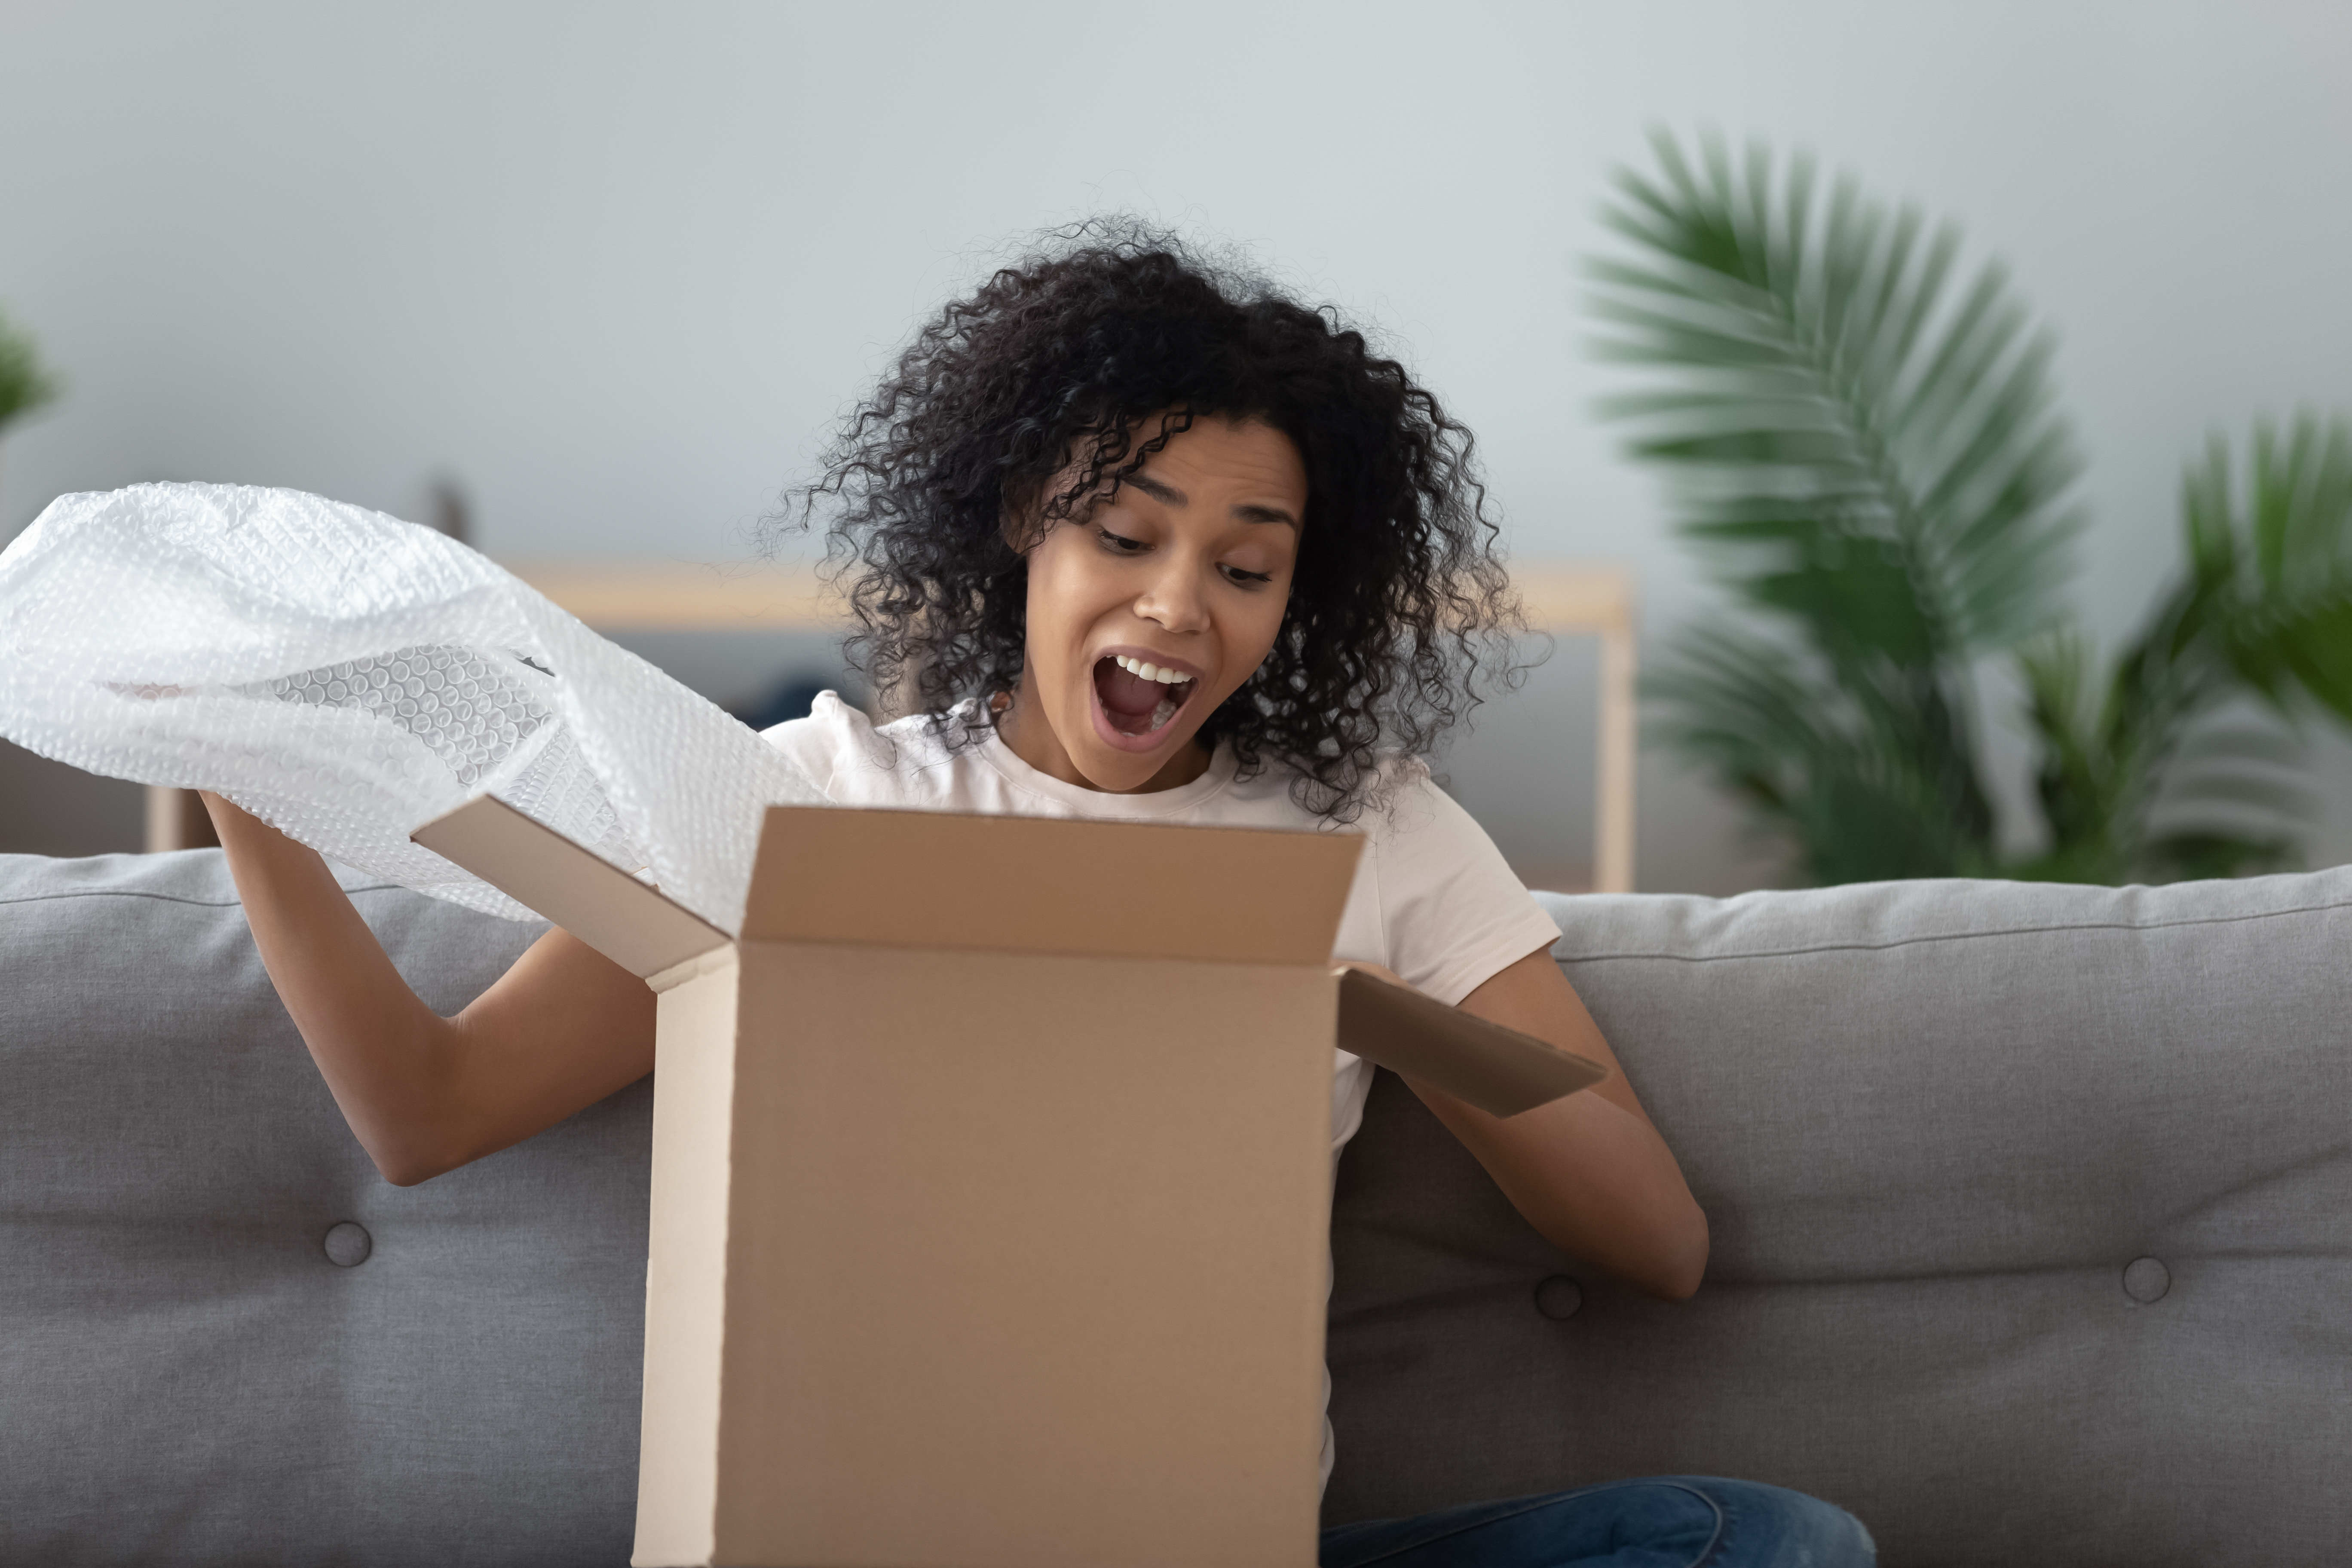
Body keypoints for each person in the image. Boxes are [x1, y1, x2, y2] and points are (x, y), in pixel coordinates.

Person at [203, 223, 1874, 1568]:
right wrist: (235, 769)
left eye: (1244, 566)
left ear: (1304, 597)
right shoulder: (818, 796)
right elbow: (430, 1109)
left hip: (1219, 1545)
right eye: (1124, 536)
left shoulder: (1378, 839)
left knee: (1764, 1545)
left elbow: (1654, 1242)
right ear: (1025, 525)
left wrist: (1339, 983)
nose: (1176, 606)